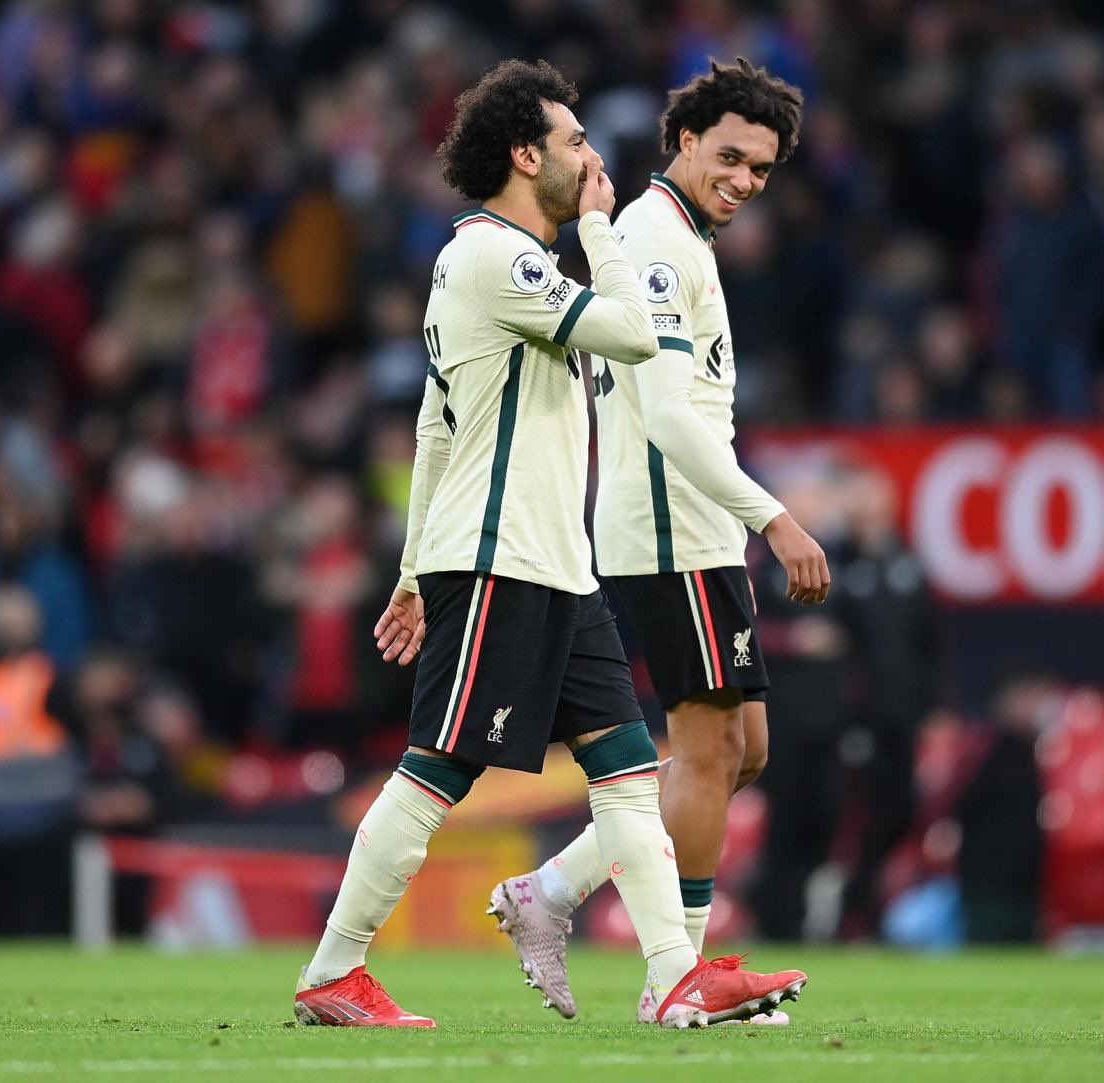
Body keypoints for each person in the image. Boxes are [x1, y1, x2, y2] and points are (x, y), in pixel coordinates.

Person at [291, 59, 805, 1030]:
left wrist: (408, 569)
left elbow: (433, 428)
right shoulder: (499, 258)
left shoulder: (502, 267)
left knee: (627, 772)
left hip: (556, 565)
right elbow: (634, 336)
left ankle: (673, 974)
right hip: (501, 557)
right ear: (527, 156)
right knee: (438, 770)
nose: (591, 158)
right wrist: (603, 227)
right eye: (574, 142)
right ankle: (333, 967)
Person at [488, 57, 829, 1025]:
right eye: (730, 156)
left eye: (760, 168)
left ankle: (550, 889)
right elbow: (671, 417)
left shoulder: (679, 237)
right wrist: (774, 516)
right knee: (709, 748)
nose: (744, 180)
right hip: (669, 525)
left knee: (740, 750)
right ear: (684, 139)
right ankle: (673, 976)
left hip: (695, 527)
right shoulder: (654, 241)